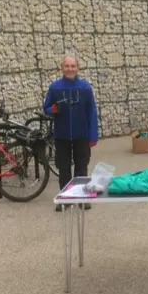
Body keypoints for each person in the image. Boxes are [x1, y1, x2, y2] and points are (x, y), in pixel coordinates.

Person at [43, 55, 98, 212]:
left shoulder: (85, 88)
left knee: (82, 167)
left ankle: (82, 197)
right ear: (62, 68)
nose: (70, 69)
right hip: (62, 136)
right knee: (64, 168)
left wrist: (93, 135)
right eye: (67, 66)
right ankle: (65, 198)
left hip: (82, 135)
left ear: (77, 68)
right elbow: (46, 108)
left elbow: (92, 112)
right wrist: (50, 110)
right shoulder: (55, 88)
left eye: (73, 66)